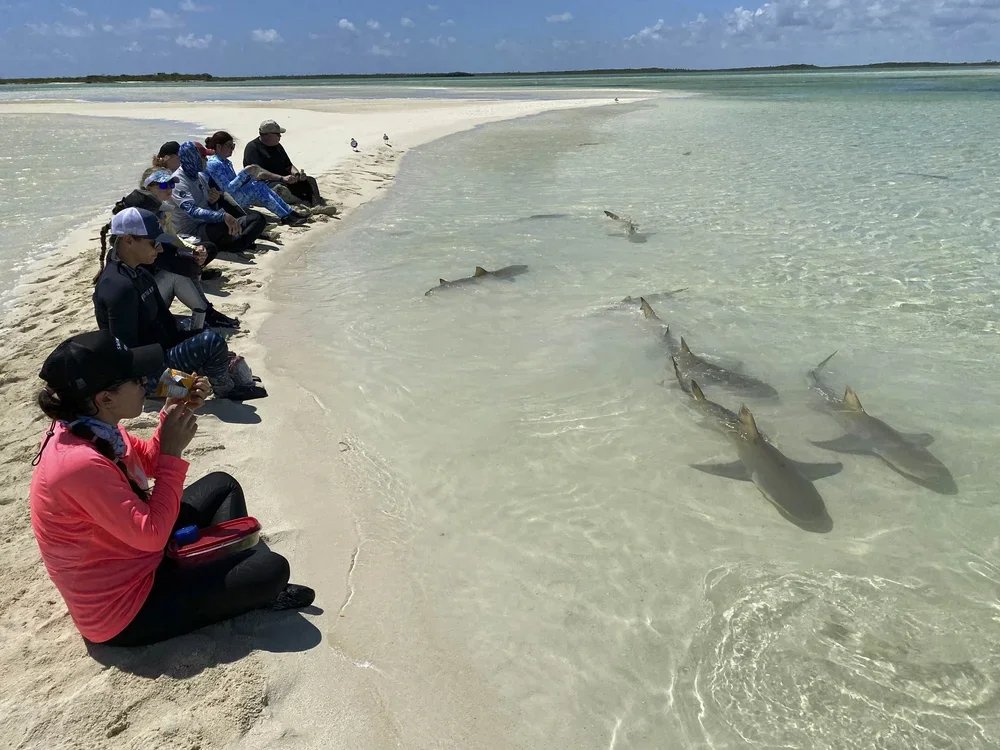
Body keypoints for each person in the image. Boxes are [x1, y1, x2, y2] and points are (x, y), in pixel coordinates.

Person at [29, 330, 314, 647]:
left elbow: (147, 462)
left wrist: (175, 410)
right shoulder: (77, 463)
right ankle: (237, 581)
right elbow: (151, 535)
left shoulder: (92, 426)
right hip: (125, 607)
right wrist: (172, 456)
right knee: (272, 570)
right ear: (105, 398)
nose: (147, 381)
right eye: (136, 378)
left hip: (136, 553)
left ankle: (225, 574)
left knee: (222, 485)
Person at [93, 206, 266, 401]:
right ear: (128, 240)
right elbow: (127, 352)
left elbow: (164, 319)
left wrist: (189, 336)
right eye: (154, 243)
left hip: (153, 348)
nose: (159, 249)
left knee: (199, 329)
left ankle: (214, 372)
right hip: (142, 378)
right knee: (211, 343)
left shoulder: (139, 273)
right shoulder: (118, 286)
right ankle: (225, 388)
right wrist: (178, 370)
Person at [101, 168, 237, 329]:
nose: (170, 188)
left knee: (194, 256)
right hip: (144, 311)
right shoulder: (122, 263)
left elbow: (171, 238)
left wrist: (192, 250)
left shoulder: (153, 218)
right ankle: (207, 312)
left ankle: (206, 312)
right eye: (165, 185)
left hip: (151, 298)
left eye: (172, 183)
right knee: (179, 267)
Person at [171, 141, 266, 257]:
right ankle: (234, 245)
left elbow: (210, 204)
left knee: (258, 218)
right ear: (193, 158)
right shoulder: (178, 182)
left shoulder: (200, 176)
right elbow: (192, 211)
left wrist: (213, 201)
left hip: (209, 223)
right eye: (203, 157)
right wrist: (222, 216)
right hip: (193, 230)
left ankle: (235, 243)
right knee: (226, 225)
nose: (206, 160)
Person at [204, 131, 307, 227]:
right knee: (256, 189)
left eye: (233, 146)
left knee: (259, 184)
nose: (232, 149)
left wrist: (249, 177)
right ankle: (285, 216)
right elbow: (228, 190)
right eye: (229, 146)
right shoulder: (214, 164)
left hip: (231, 196)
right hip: (223, 201)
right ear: (218, 146)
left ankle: (289, 212)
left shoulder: (225, 162)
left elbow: (233, 184)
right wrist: (245, 172)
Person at [243, 119, 324, 207]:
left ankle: (317, 205)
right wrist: (282, 178)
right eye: (277, 134)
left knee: (310, 180)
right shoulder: (252, 148)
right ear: (268, 135)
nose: (280, 136)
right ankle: (300, 203)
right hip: (265, 183)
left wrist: (297, 175)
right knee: (280, 189)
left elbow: (288, 165)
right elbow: (259, 173)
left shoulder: (277, 146)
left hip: (284, 179)